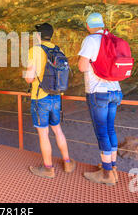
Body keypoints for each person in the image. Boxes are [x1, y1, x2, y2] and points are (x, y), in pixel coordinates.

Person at [25, 23, 75, 178]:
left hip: (40, 96)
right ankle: (67, 163)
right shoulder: (58, 49)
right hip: (56, 96)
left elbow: (29, 78)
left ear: (38, 36)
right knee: (57, 129)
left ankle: (48, 168)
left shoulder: (35, 50)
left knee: (44, 133)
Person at [78, 12, 123, 186]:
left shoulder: (91, 40)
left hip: (99, 92)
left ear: (88, 26)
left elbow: (82, 66)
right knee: (110, 129)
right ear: (102, 24)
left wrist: (90, 63)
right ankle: (112, 167)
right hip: (115, 90)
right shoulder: (111, 38)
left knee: (102, 132)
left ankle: (106, 173)